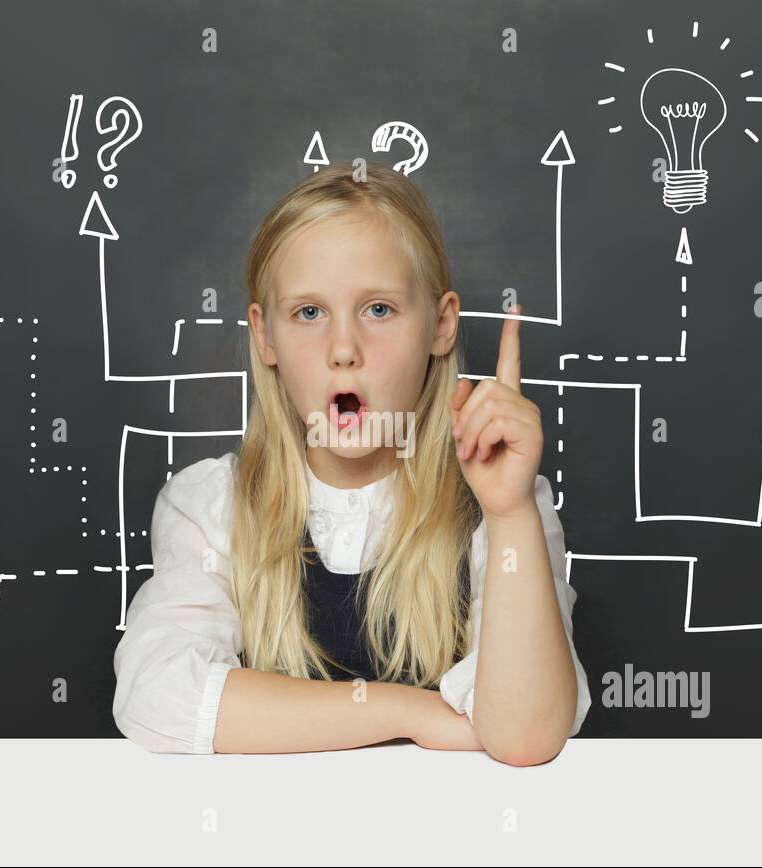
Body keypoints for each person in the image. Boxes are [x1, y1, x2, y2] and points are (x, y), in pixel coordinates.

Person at [112, 163, 591, 763]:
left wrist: (511, 512)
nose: (343, 350)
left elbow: (525, 734)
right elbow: (155, 695)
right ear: (265, 338)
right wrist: (407, 712)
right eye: (309, 313)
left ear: (441, 326)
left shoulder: (502, 506)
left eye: (379, 310)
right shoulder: (215, 508)